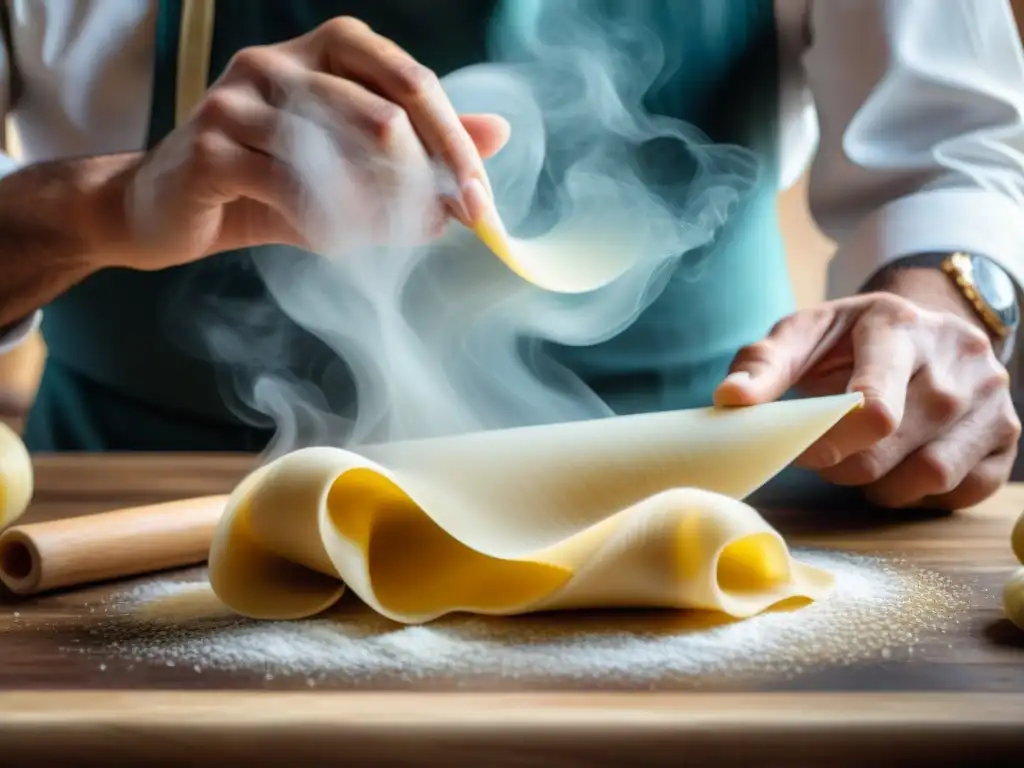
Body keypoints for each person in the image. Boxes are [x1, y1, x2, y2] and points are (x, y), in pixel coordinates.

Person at [0, 0, 1022, 511]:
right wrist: (100, 205)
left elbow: (945, 157)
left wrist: (934, 314)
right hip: (144, 521)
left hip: (706, 501)